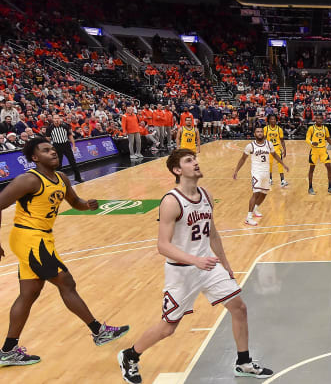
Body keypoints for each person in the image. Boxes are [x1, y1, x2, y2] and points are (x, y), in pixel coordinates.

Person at [118, 149, 273, 384]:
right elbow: (163, 246)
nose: (196, 163)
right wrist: (195, 260)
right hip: (182, 272)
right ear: (177, 170)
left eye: (195, 159)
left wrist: (226, 263)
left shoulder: (206, 195)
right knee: (167, 328)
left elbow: (212, 233)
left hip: (209, 265)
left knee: (239, 308)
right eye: (189, 161)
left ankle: (243, 362)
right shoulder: (171, 201)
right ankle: (129, 356)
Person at [0, 138, 129, 366]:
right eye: (46, 150)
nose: (53, 152)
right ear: (34, 157)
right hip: (29, 238)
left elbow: (74, 201)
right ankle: (99, 331)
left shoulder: (61, 178)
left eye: (52, 149)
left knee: (29, 293)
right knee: (66, 282)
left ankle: (8, 350)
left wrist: (86, 205)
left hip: (42, 238)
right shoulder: (28, 180)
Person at [233, 127, 289, 226]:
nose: (259, 133)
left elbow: (275, 155)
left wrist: (283, 165)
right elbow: (243, 159)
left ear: (264, 133)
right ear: (254, 134)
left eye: (261, 131)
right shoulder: (250, 146)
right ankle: (248, 218)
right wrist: (236, 170)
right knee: (256, 193)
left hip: (266, 172)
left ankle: (255, 208)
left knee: (264, 193)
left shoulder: (269, 144)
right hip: (256, 172)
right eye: (257, 132)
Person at [306, 113, 331, 195]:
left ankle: (330, 187)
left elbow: (328, 138)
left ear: (322, 120)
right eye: (317, 119)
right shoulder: (311, 128)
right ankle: (310, 187)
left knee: (329, 167)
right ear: (315, 119)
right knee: (312, 168)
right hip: (314, 151)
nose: (319, 120)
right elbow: (307, 138)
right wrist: (312, 142)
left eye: (321, 119)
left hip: (323, 150)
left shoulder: (325, 128)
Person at [45, 115, 83, 182]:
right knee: (58, 165)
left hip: (66, 145)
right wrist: (50, 148)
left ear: (60, 119)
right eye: (55, 118)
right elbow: (47, 139)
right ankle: (58, 180)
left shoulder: (65, 126)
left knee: (73, 162)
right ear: (53, 120)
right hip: (57, 146)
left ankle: (78, 178)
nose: (56, 120)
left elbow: (70, 136)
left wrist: (73, 145)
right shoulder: (49, 128)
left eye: (58, 118)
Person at [263, 114, 288, 187]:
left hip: (277, 148)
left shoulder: (279, 129)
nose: (273, 120)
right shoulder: (266, 128)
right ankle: (270, 179)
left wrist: (285, 149)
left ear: (276, 120)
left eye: (274, 119)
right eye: (271, 119)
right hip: (268, 148)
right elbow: (263, 139)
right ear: (269, 120)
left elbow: (282, 140)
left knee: (280, 164)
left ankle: (282, 180)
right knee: (269, 164)